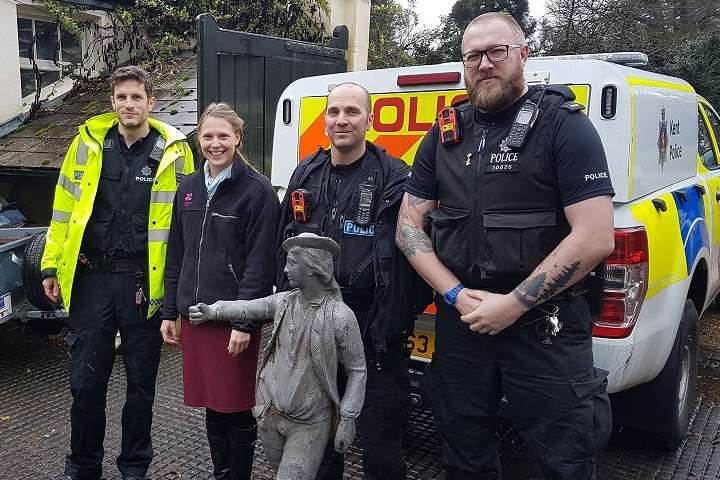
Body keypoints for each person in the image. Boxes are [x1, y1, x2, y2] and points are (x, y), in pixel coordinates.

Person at [396, 12, 615, 480]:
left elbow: (595, 235)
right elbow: (409, 226)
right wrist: (455, 295)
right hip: (464, 324)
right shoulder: (443, 133)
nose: (484, 64)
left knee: (563, 458)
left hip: (543, 326)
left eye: (497, 52)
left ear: (523, 56)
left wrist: (513, 304)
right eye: (473, 55)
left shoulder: (563, 126)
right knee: (462, 451)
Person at [40, 65, 195, 480]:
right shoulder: (88, 144)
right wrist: (50, 264)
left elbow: (184, 224)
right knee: (86, 383)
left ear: (152, 103)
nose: (129, 104)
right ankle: (83, 464)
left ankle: (134, 465)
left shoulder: (174, 150)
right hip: (91, 278)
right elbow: (63, 210)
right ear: (113, 102)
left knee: (141, 386)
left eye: (137, 97)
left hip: (143, 282)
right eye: (122, 97)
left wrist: (177, 292)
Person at [276, 82, 431, 479]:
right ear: (324, 120)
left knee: (380, 441)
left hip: (373, 331)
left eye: (352, 112)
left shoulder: (396, 177)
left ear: (369, 119)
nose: (342, 120)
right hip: (315, 328)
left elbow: (418, 250)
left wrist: (398, 317)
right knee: (321, 439)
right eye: (334, 112)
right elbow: (284, 243)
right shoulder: (306, 173)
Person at [160, 102, 279, 479]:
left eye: (223, 136)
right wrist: (169, 311)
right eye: (208, 136)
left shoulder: (257, 191)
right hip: (194, 315)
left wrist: (244, 322)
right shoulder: (189, 188)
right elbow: (175, 252)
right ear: (199, 139)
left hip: (233, 319)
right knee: (212, 403)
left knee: (236, 404)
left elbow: (260, 263)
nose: (215, 144)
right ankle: (221, 473)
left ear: (237, 138)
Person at [188, 233, 367, 480]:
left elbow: (357, 370)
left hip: (309, 422)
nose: (285, 269)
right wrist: (213, 310)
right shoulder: (284, 302)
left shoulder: (340, 317)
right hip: (270, 414)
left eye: (293, 262)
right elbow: (248, 307)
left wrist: (348, 418)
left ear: (313, 268)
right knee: (279, 470)